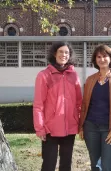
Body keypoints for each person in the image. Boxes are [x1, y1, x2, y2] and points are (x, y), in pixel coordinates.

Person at [33, 42, 82, 171]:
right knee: (49, 164)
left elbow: (79, 103)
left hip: (70, 128)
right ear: (54, 53)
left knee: (66, 165)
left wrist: (80, 123)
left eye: (66, 52)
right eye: (61, 51)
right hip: (50, 129)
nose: (63, 55)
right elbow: (38, 104)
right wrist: (40, 128)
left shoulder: (74, 75)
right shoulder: (44, 75)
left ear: (70, 56)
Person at [79, 44, 111, 171]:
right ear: (95, 60)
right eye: (99, 57)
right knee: (95, 163)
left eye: (105, 56)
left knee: (107, 165)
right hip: (90, 127)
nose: (102, 59)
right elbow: (85, 105)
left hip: (109, 128)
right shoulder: (90, 80)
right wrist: (81, 126)